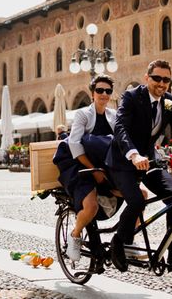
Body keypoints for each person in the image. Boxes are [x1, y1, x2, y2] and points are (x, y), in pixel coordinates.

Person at [106, 60, 172, 272]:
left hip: (149, 160)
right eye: (157, 78)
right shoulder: (132, 96)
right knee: (136, 202)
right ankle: (118, 242)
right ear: (147, 78)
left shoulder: (168, 101)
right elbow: (121, 127)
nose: (161, 83)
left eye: (166, 79)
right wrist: (133, 154)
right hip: (123, 161)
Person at [57, 74, 118, 262]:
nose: (104, 94)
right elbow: (75, 144)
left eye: (108, 91)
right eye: (99, 90)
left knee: (139, 196)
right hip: (80, 166)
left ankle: (125, 241)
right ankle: (75, 235)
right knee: (90, 207)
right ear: (92, 93)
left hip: (105, 167)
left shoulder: (113, 116)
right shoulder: (83, 114)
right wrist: (94, 170)